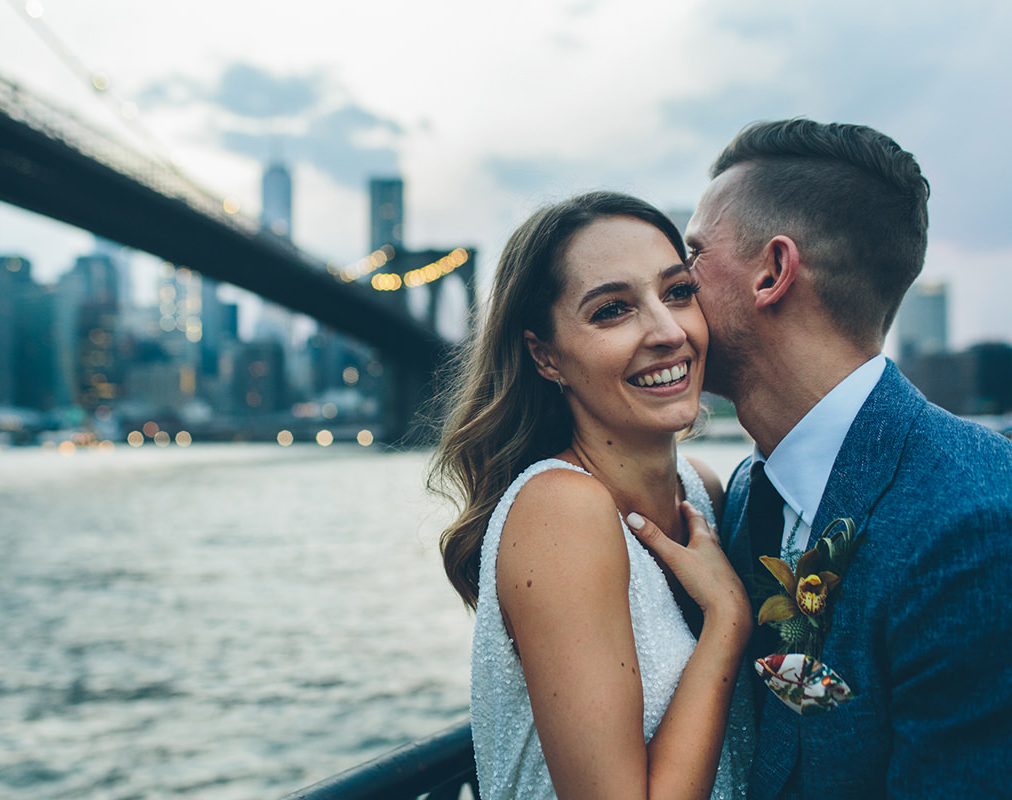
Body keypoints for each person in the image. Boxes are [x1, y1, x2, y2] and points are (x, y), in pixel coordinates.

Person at [677, 118, 1012, 798]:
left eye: (691, 257)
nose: (671, 288)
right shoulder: (746, 490)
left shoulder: (974, 524)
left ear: (772, 271)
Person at [432, 191, 754, 800]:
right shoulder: (561, 512)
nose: (666, 331)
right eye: (612, 310)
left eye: (678, 292)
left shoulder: (703, 491)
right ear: (545, 356)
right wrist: (727, 621)